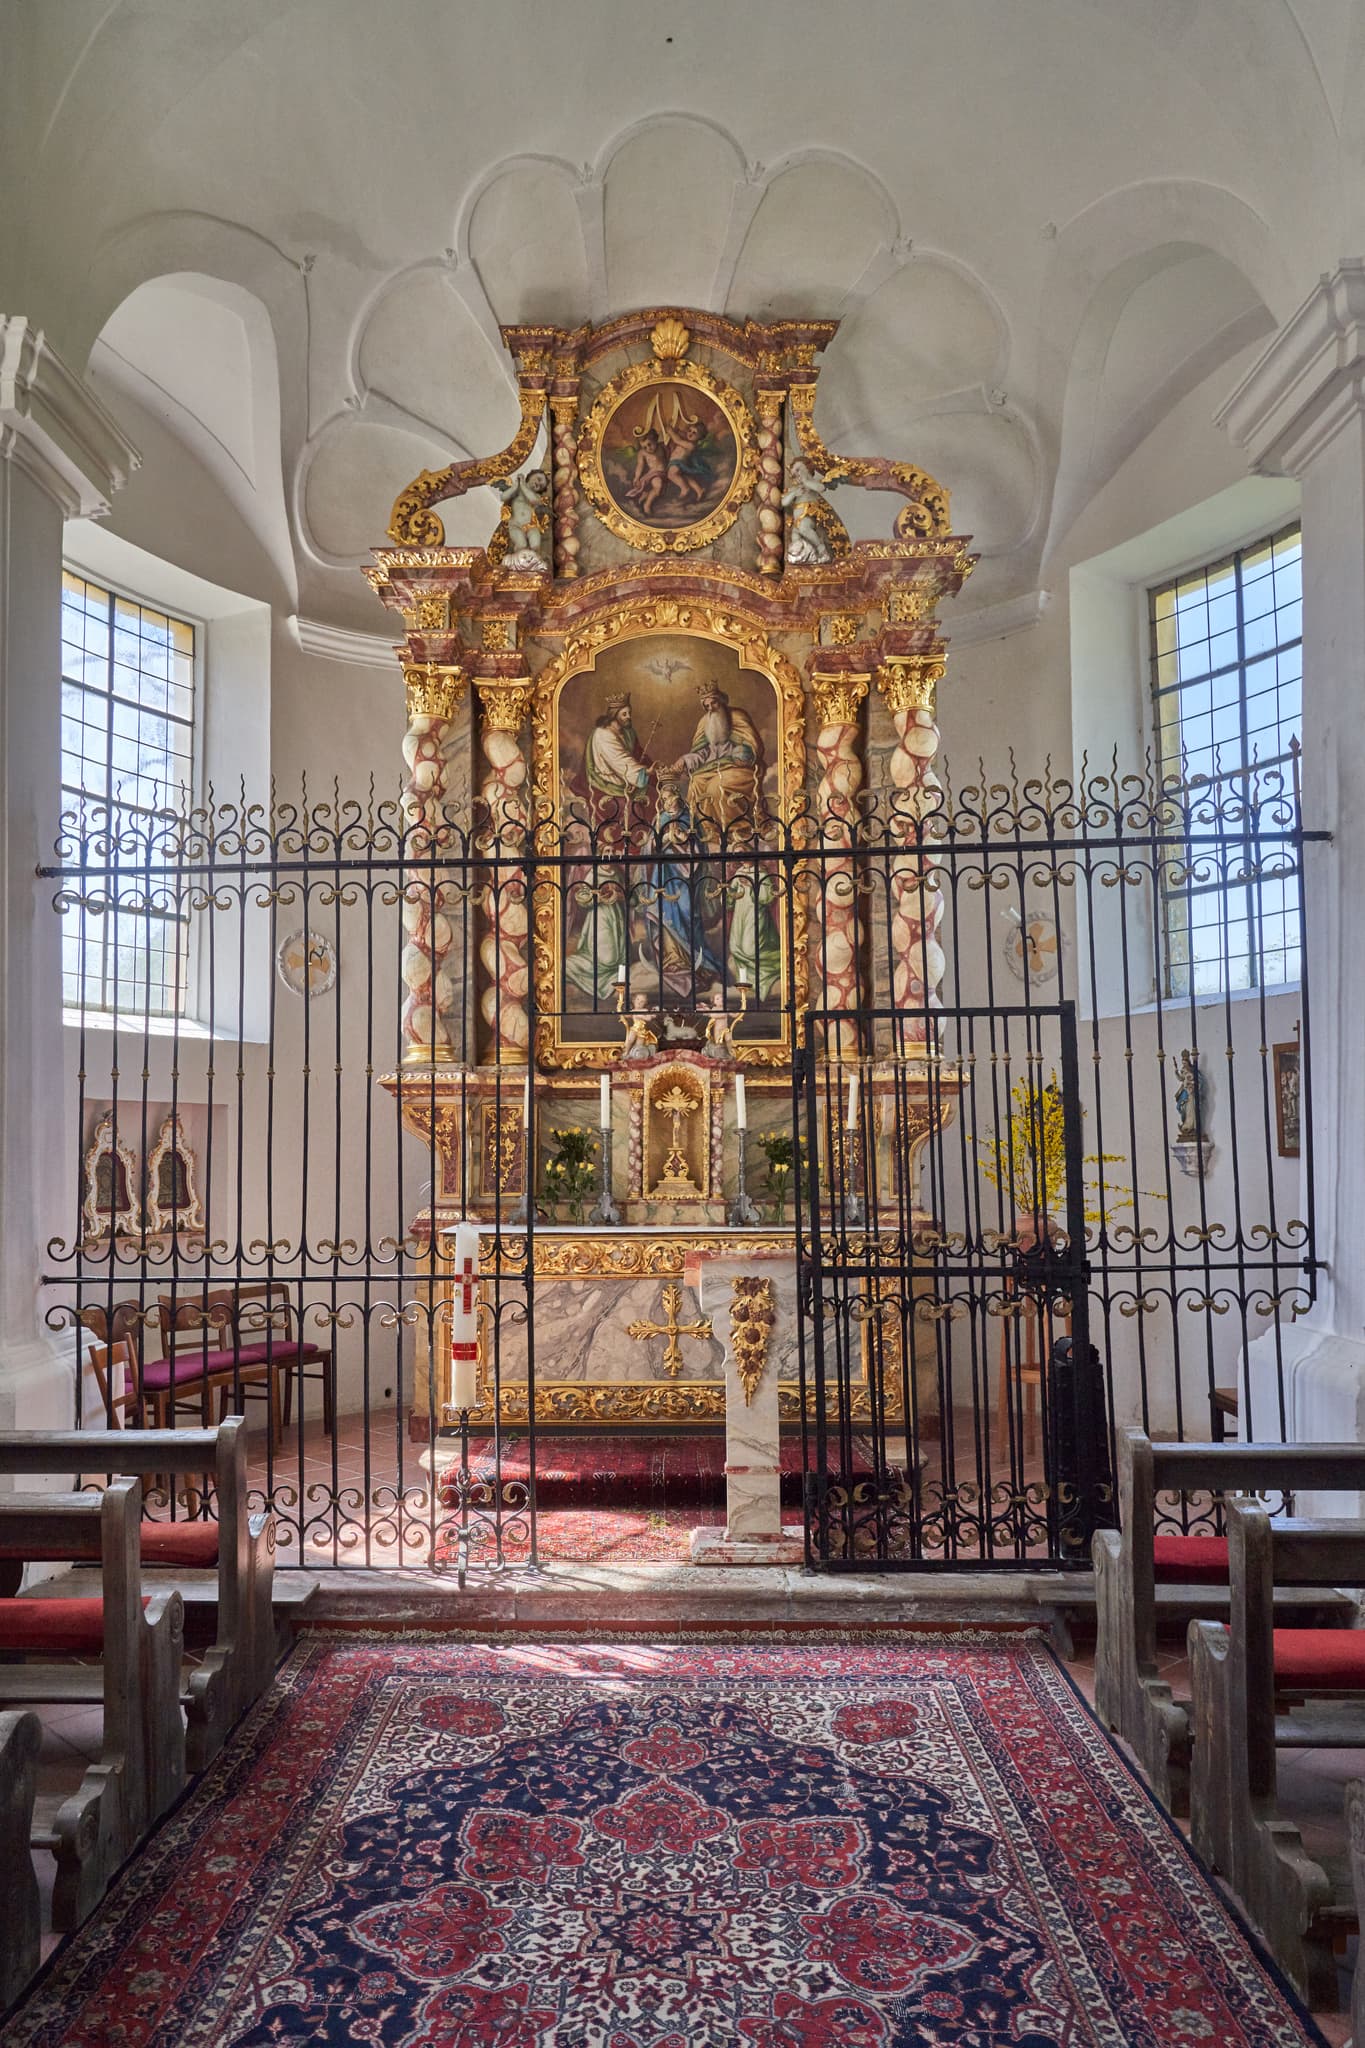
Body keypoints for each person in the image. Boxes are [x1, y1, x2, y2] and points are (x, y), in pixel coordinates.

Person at [671, 684, 764, 843]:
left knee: (715, 787)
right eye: (706, 706)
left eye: (713, 703)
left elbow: (753, 746)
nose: (711, 708)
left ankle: (736, 830)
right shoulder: (705, 722)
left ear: (721, 701)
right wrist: (685, 760)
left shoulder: (737, 716)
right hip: (713, 769)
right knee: (696, 783)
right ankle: (709, 831)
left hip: (738, 767)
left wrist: (743, 753)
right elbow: (703, 752)